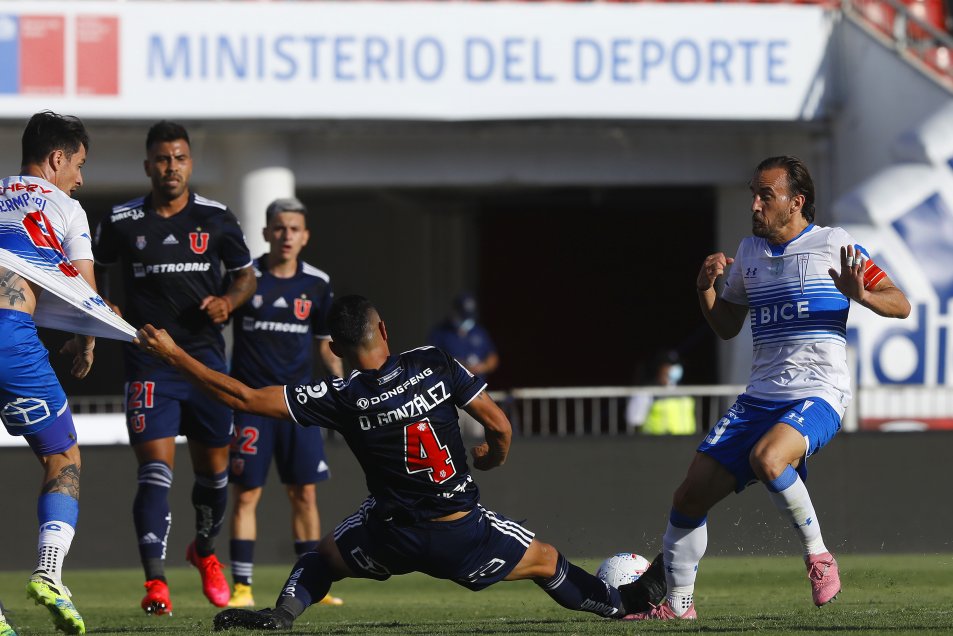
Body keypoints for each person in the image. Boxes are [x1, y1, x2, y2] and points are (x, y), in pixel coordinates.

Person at [134, 295, 667, 630]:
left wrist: (175, 355)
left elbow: (244, 398)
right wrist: (491, 456)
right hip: (462, 533)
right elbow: (500, 426)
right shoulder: (434, 363)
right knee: (548, 561)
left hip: (390, 536)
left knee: (320, 558)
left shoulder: (341, 395)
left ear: (336, 349)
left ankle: (282, 614)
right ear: (383, 330)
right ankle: (624, 603)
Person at [624, 156, 911, 621]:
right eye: (753, 195)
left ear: (796, 202)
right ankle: (678, 606)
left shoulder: (833, 243)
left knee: (768, 458)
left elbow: (901, 304)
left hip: (819, 391)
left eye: (766, 196)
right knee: (688, 497)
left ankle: (819, 557)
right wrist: (705, 290)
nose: (755, 205)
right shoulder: (749, 252)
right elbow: (726, 326)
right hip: (759, 398)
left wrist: (862, 295)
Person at [92, 120, 256, 615]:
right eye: (163, 159)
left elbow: (246, 277)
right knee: (154, 472)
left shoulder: (217, 218)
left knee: (215, 476)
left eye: (179, 158)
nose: (171, 167)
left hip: (205, 364)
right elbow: (94, 268)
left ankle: (204, 551)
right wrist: (103, 304)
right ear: (148, 165)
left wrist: (228, 302)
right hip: (149, 362)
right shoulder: (121, 220)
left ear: (190, 163)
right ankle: (156, 582)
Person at [0, 111, 97, 635]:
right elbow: (86, 294)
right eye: (78, 165)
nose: (79, 178)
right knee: (63, 456)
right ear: (57, 159)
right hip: (10, 337)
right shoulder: (66, 207)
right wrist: (86, 340)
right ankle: (49, 574)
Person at [226, 197, 343, 608]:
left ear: (305, 236)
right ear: (266, 232)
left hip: (299, 406)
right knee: (246, 495)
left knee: (304, 495)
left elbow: (326, 345)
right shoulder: (246, 278)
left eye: (294, 229)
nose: (286, 235)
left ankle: (313, 584)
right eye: (279, 228)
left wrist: (344, 386)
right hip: (252, 406)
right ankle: (242, 587)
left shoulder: (317, 283)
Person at [625, 350, 696, 435]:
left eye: (677, 364)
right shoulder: (646, 392)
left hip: (687, 441)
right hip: (656, 442)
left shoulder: (686, 391)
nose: (675, 368)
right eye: (670, 365)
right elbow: (634, 422)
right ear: (660, 367)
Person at [427, 293, 499, 377]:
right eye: (463, 317)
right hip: (452, 382)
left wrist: (482, 367)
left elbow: (492, 356)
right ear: (454, 312)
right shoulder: (439, 332)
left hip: (477, 381)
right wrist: (458, 365)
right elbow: (430, 361)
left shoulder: (479, 331)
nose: (466, 321)